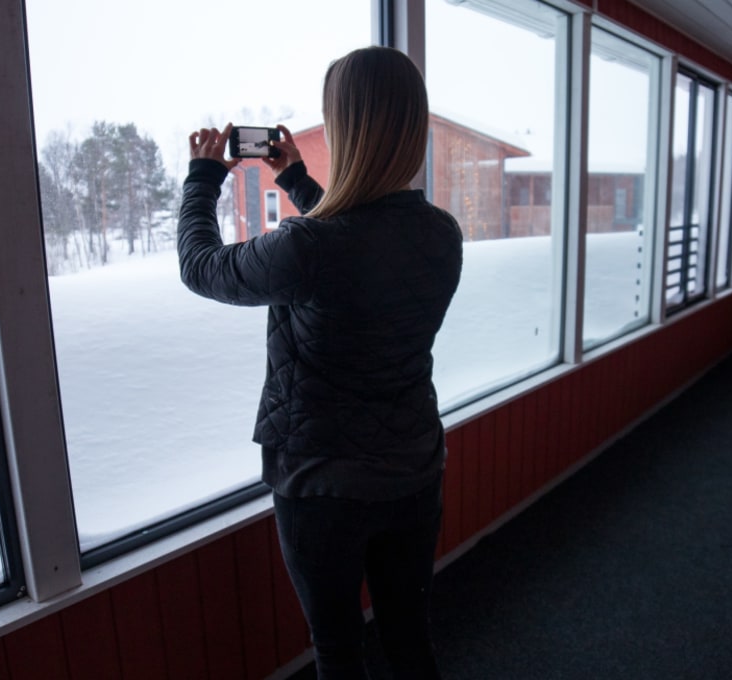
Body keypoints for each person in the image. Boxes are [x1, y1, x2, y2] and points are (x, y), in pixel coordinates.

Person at [177, 46, 463, 679]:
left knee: (339, 649)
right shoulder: (442, 234)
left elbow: (202, 269)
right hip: (415, 471)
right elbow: (363, 245)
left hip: (323, 488)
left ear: (347, 129)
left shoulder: (309, 248)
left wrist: (202, 178)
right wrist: (297, 180)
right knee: (409, 638)